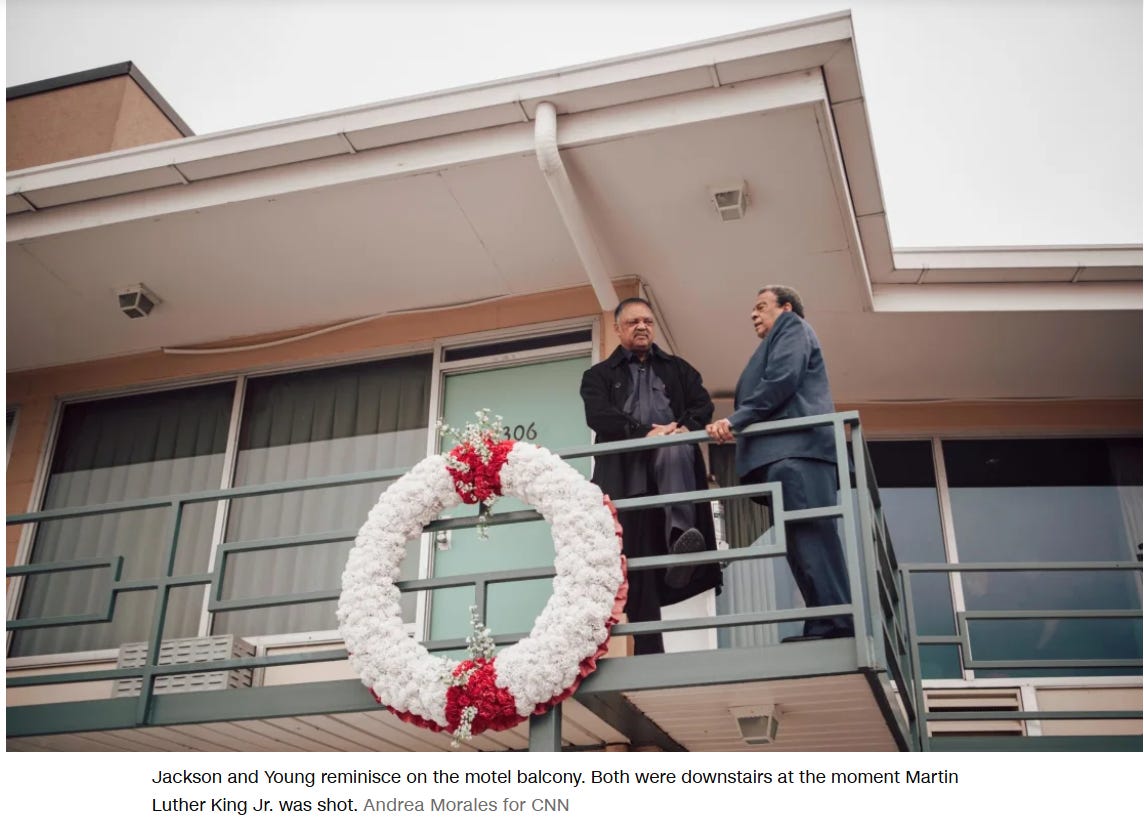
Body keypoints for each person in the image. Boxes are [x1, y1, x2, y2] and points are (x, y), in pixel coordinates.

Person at [706, 286, 853, 641]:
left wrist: (736, 420)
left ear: (786, 308)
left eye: (761, 306)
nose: (753, 314)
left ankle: (836, 623)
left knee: (811, 539)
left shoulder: (793, 327)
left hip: (798, 453)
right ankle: (824, 622)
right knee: (799, 544)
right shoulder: (777, 339)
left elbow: (782, 380)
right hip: (787, 457)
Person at [580, 297, 721, 654]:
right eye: (633, 322)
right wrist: (645, 433)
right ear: (617, 329)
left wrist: (681, 430)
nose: (642, 327)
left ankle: (681, 542)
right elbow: (599, 416)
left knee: (673, 450)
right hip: (627, 478)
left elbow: (702, 405)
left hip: (673, 477)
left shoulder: (679, 369)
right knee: (635, 564)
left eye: (647, 321)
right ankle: (649, 651)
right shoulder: (598, 376)